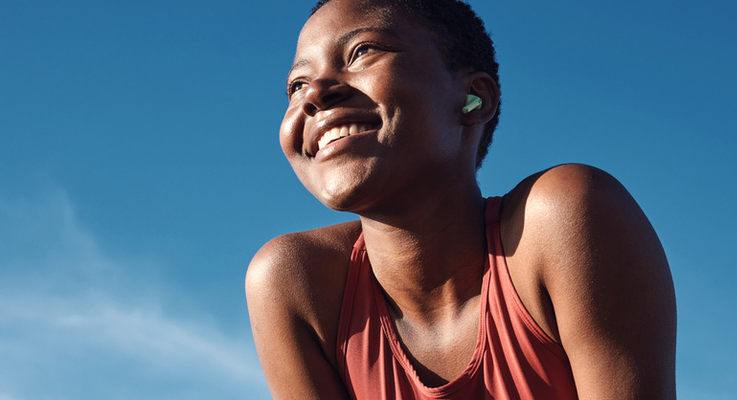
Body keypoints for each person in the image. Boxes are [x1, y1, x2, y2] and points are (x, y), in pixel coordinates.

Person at [245, 0, 676, 398]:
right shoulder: (298, 285)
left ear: (474, 100)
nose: (316, 94)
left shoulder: (564, 219)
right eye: (296, 85)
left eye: (361, 52)